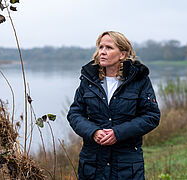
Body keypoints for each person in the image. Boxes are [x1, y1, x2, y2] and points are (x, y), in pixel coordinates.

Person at [67, 31, 160, 179]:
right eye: (101, 47)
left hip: (126, 165)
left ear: (122, 54)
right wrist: (93, 132)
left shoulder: (139, 80)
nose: (102, 52)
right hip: (92, 164)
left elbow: (151, 116)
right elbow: (75, 114)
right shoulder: (88, 79)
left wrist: (118, 133)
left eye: (109, 48)